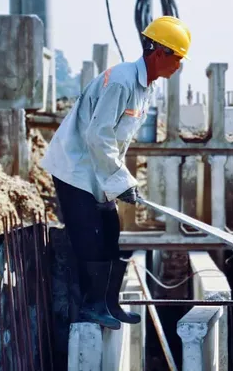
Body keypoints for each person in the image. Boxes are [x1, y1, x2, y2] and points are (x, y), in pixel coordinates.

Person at [40, 16, 192, 329]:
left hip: (98, 168)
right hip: (75, 167)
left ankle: (109, 303)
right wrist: (122, 180)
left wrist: (117, 179)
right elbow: (98, 134)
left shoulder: (145, 87)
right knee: (91, 237)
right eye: (177, 57)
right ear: (158, 52)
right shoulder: (123, 80)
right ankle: (91, 306)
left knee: (111, 231)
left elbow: (112, 140)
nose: (179, 66)